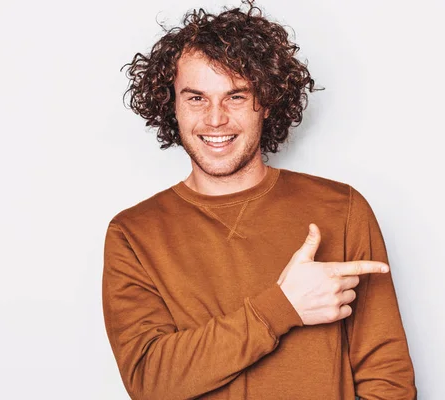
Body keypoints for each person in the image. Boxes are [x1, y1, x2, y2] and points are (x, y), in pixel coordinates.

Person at [102, 1, 416, 399]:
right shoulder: (134, 233)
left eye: (235, 96)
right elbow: (151, 382)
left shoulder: (341, 208)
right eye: (196, 98)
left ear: (266, 102)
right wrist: (281, 307)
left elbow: (387, 376)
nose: (215, 119)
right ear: (172, 105)